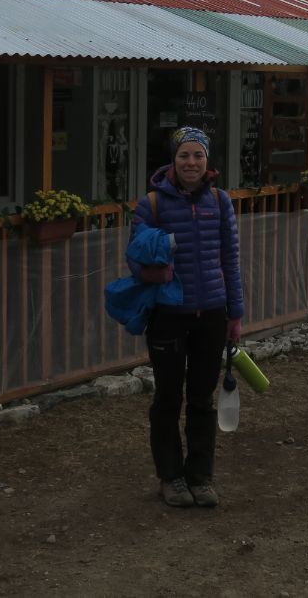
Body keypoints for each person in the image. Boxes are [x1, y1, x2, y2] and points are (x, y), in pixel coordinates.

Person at [131, 126, 245, 508]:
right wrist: (153, 271)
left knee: (201, 398)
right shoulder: (151, 205)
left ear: (207, 160)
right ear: (173, 159)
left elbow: (230, 260)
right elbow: (134, 259)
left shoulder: (220, 202)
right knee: (167, 396)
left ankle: (200, 476)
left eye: (198, 155)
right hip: (167, 314)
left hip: (211, 313)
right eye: (184, 155)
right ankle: (171, 477)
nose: (191, 162)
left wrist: (235, 314)